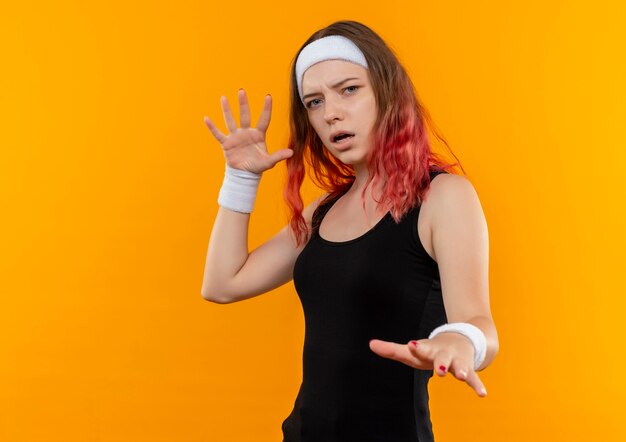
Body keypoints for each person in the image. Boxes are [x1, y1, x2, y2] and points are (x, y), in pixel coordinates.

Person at [201, 20, 498, 442]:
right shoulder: (324, 210)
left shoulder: (443, 197)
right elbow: (222, 283)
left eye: (349, 90)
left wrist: (460, 340)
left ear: (387, 91)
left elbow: (479, 323)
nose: (331, 112)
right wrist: (240, 179)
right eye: (314, 101)